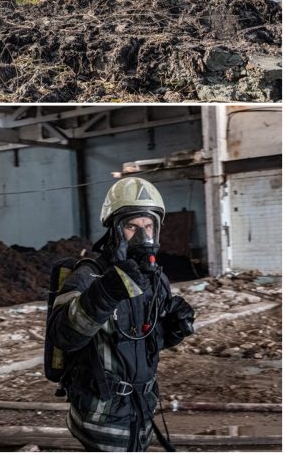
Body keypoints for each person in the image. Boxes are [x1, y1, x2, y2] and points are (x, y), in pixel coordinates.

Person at [47, 178, 195, 451]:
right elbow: (63, 335)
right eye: (132, 227)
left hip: (141, 415)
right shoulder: (89, 276)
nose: (142, 236)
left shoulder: (155, 280)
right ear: (115, 230)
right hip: (101, 420)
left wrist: (173, 330)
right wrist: (105, 292)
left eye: (148, 226)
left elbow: (144, 340)